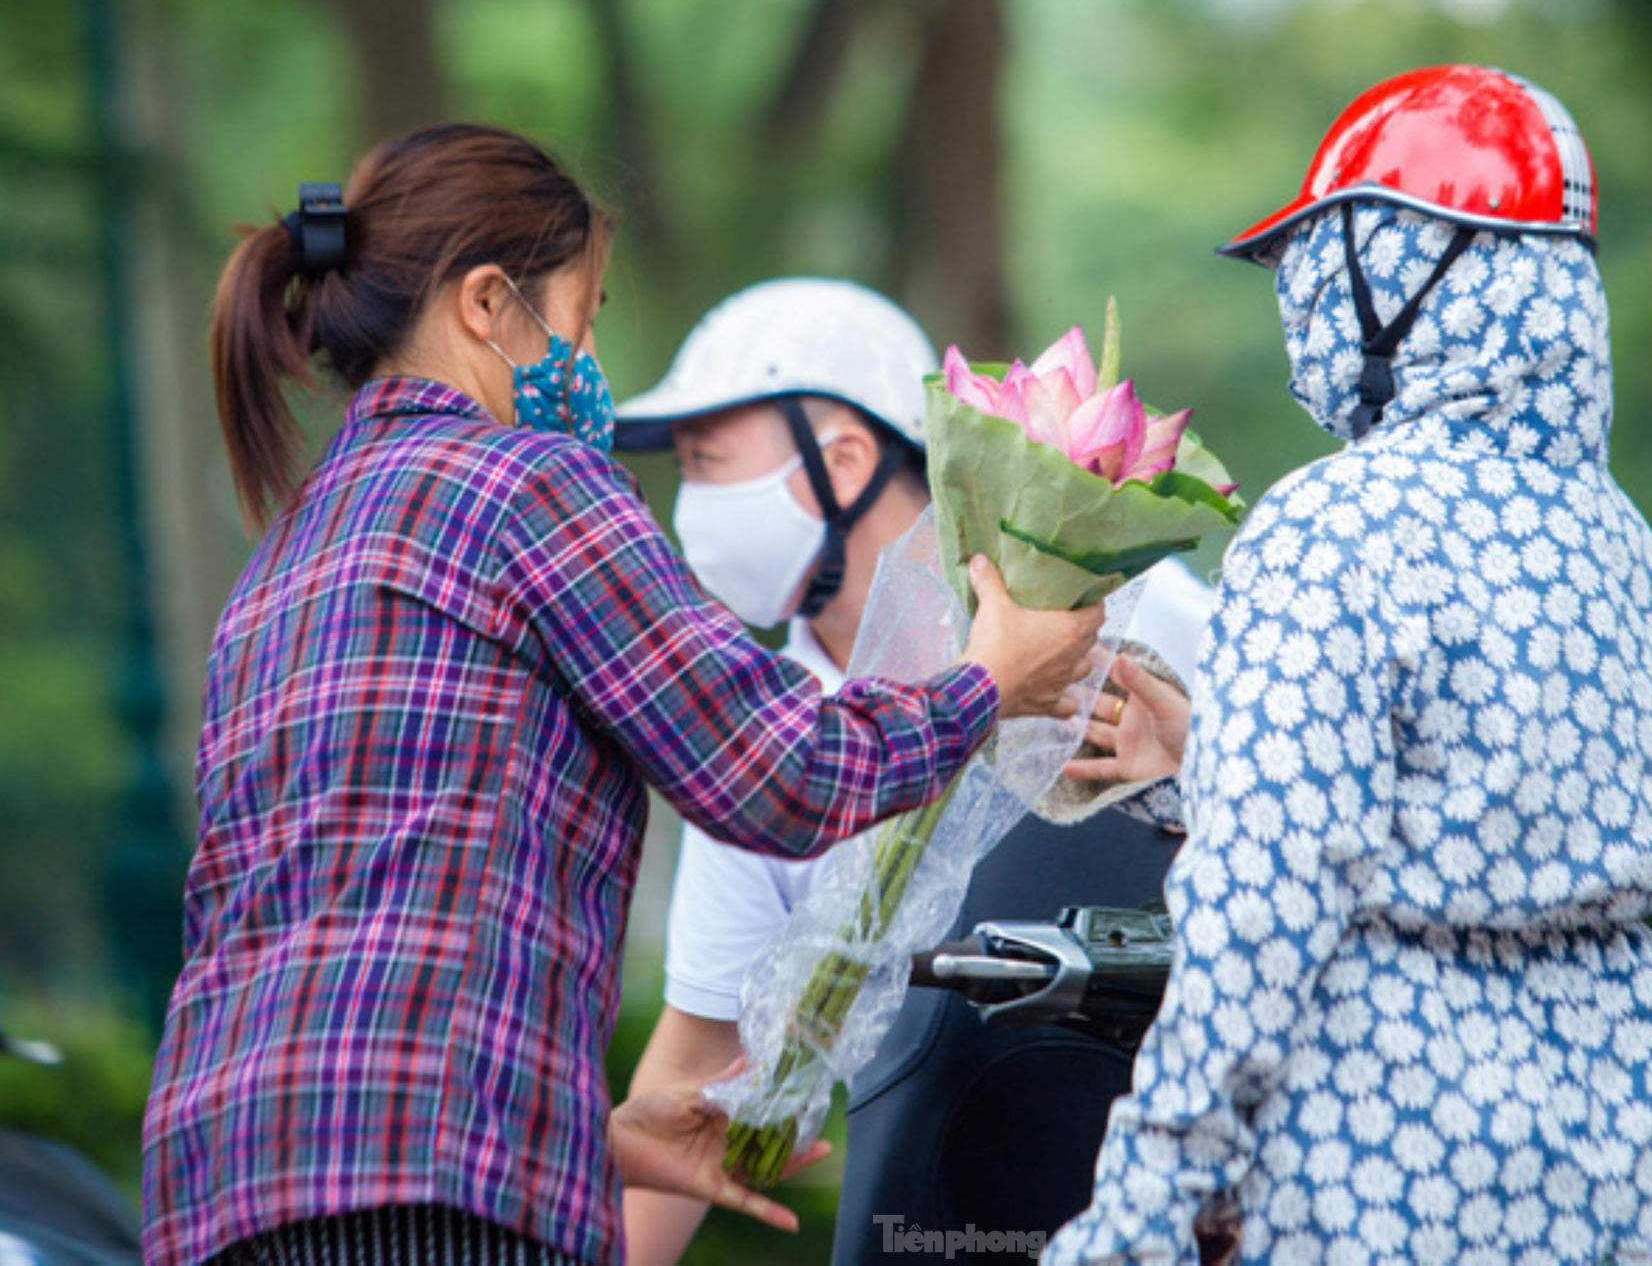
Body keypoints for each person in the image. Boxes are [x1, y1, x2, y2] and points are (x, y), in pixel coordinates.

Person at [140, 125, 1106, 1266]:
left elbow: (327, 934)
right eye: (584, 314)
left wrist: (575, 1135)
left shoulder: (282, 559)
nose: (586, 355)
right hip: (428, 1213)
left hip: (216, 1186)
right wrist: (989, 682)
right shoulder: (524, 482)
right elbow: (781, 771)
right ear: (489, 304)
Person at [1045, 66, 1652, 1264]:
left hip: (1390, 1176)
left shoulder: (1331, 527)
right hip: (1622, 1184)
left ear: (1401, 268)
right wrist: (1213, 767)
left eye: (1317, 267)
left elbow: (1260, 916)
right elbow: (1482, 833)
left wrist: (1137, 1212)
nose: (1298, 309)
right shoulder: (1626, 545)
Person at [610, 279, 1214, 1264]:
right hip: (934, 1213)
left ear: (841, 459)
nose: (690, 506)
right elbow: (704, 1056)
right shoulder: (768, 744)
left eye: (708, 463)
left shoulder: (1136, 618)